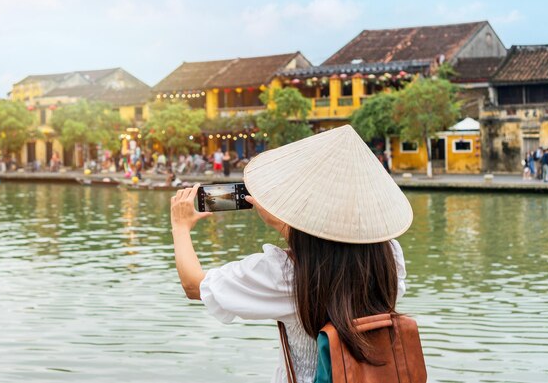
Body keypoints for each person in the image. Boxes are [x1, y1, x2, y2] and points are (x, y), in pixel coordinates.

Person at [170, 126, 411, 382]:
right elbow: (331, 245)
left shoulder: (284, 272)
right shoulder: (389, 253)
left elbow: (194, 285)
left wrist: (180, 226)